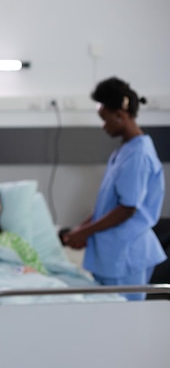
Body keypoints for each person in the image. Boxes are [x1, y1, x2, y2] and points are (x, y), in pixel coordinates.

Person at [62, 77, 166, 300]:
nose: (104, 126)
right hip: (113, 253)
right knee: (109, 320)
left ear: (120, 114)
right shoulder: (125, 151)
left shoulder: (138, 155)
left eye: (105, 119)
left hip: (126, 255)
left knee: (124, 324)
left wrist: (85, 232)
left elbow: (127, 209)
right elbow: (108, 204)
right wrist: (82, 227)